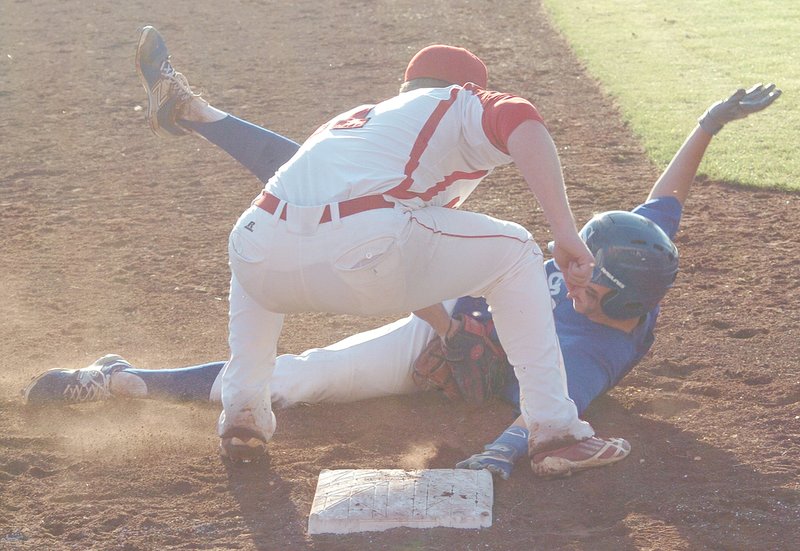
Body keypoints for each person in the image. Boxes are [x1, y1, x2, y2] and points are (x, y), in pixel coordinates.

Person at [22, 27, 780, 478]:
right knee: (490, 253)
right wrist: (708, 124)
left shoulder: (591, 347)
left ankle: (129, 381)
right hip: (430, 312)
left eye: (587, 281)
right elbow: (665, 200)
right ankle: (124, 381)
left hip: (345, 282)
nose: (573, 279)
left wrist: (497, 455)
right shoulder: (633, 259)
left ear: (622, 298)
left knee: (298, 369)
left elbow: (559, 393)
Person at [134, 26, 623, 476]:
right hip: (367, 250)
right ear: (467, 85)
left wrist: (446, 328)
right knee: (517, 249)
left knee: (263, 242)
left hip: (259, 251)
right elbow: (523, 120)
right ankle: (556, 430)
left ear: (407, 85)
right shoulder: (462, 99)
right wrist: (565, 232)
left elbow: (293, 179)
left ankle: (243, 412)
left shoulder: (356, 122)